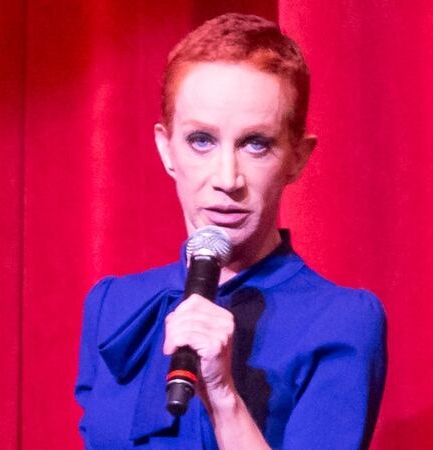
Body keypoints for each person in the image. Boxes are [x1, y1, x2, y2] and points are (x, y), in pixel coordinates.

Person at [75, 13, 387, 449]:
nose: (227, 178)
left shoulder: (342, 319)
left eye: (256, 143)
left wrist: (223, 398)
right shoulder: (114, 306)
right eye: (201, 140)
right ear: (167, 149)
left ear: (298, 158)